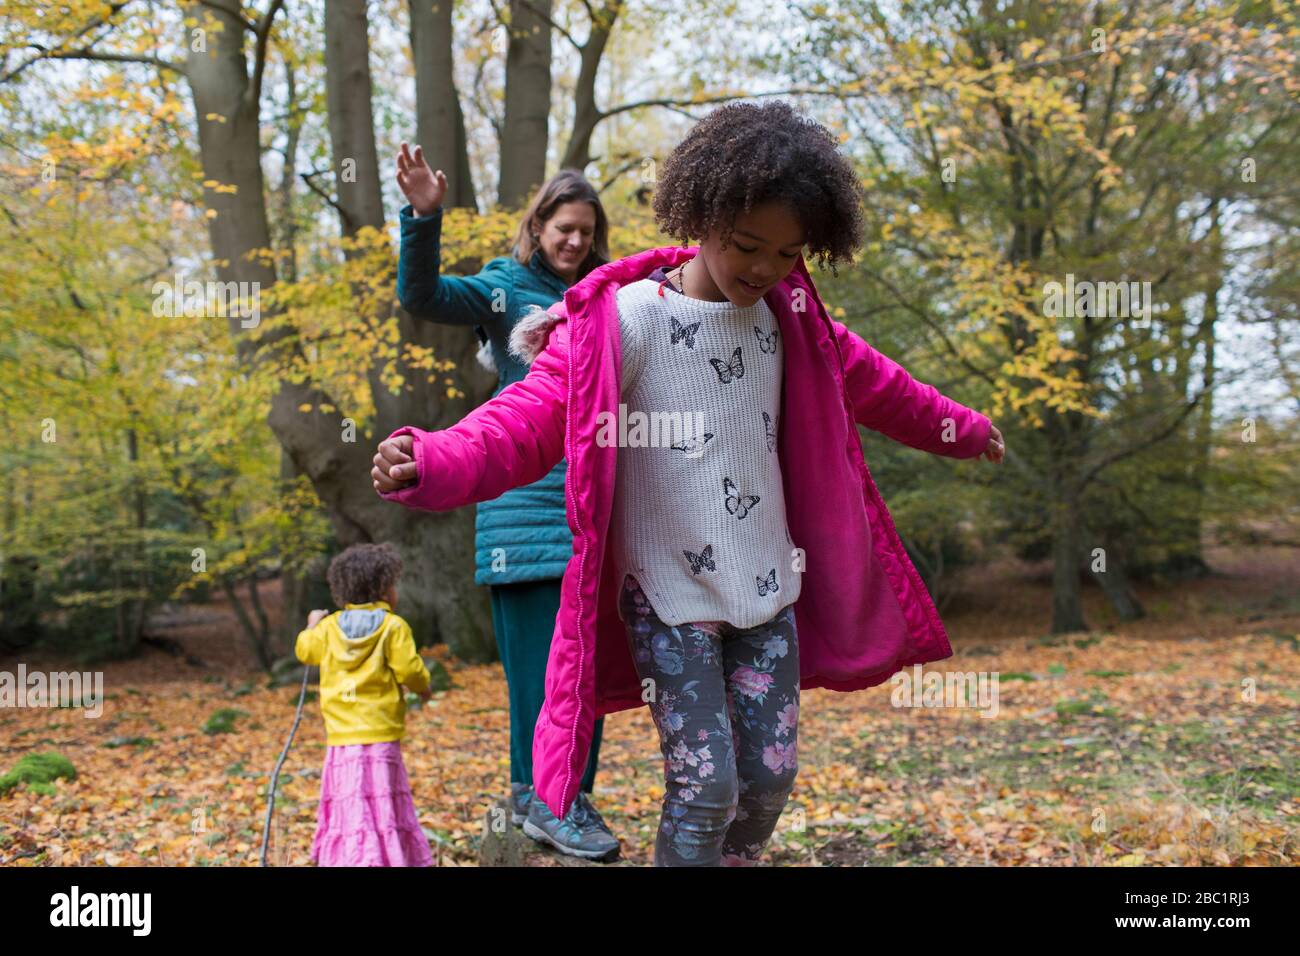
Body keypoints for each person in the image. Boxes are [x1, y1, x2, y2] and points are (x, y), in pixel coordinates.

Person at [374, 101, 1005, 866]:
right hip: (667, 593)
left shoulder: (792, 322)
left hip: (767, 585)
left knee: (768, 783)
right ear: (701, 214)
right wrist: (431, 459)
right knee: (706, 788)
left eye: (787, 253)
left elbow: (887, 390)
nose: (765, 268)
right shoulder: (625, 322)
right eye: (747, 246)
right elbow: (526, 418)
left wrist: (965, 431)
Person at [393, 144, 618, 860]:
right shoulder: (505, 288)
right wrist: (423, 219)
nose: (575, 242)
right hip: (522, 511)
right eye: (564, 228)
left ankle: (569, 796)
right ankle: (538, 796)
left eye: (586, 231)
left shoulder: (606, 299)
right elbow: (423, 297)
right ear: (538, 225)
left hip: (594, 508)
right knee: (538, 670)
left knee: (590, 669)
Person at [295, 542, 434, 866]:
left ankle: (351, 858)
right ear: (384, 589)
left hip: (343, 738)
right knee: (383, 800)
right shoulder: (393, 627)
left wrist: (312, 624)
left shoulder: (328, 629)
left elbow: (305, 650)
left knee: (352, 801)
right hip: (381, 732)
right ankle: (386, 857)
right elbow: (409, 669)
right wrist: (423, 688)